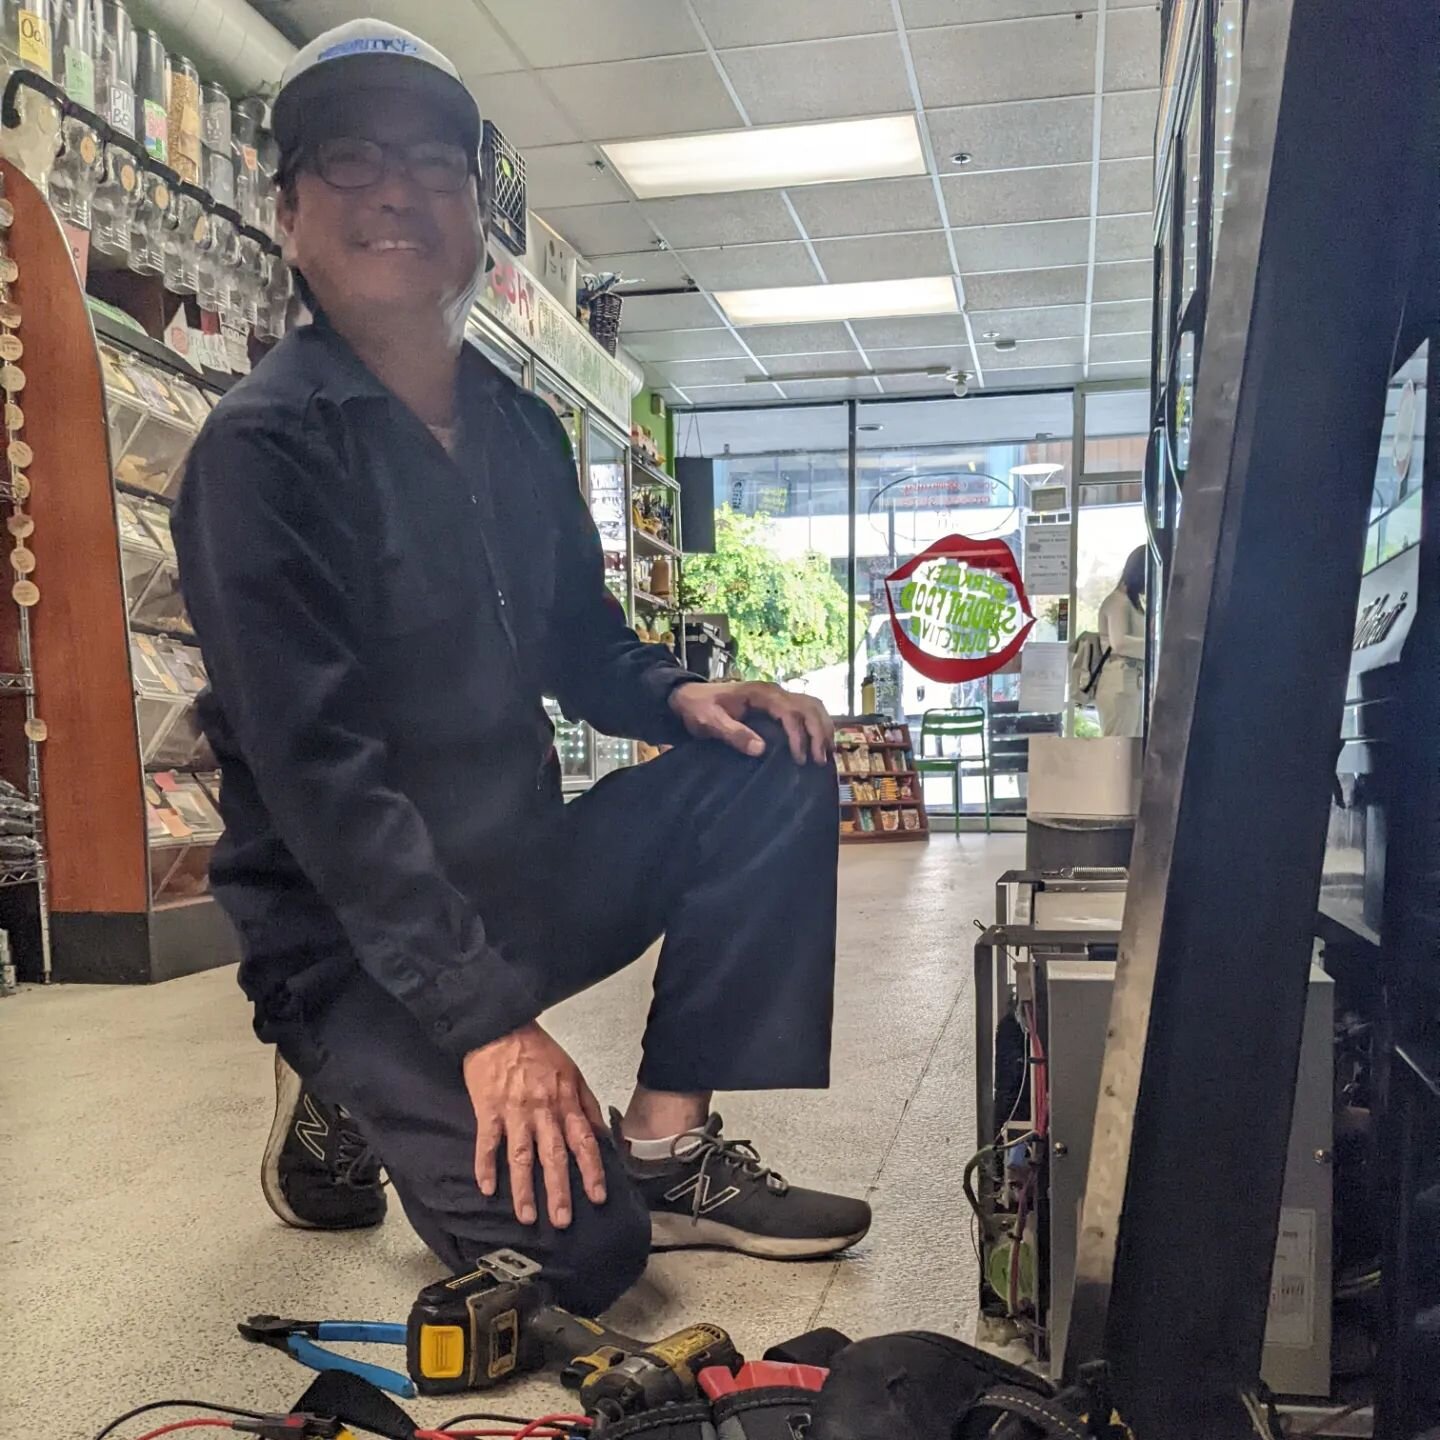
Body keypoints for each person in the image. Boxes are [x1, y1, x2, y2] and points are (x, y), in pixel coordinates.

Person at [172, 20, 870, 1317]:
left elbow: (574, 639)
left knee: (777, 757)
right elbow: (326, 787)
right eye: (351, 158)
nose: (396, 189)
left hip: (514, 875)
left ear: (477, 206)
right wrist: (490, 1031)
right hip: (351, 937)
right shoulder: (260, 456)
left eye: (435, 162)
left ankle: (666, 1151)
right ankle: (346, 1072)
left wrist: (675, 693)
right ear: (288, 209)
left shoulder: (518, 426)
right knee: (576, 1262)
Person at [1094, 545, 1148, 738]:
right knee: (1119, 750)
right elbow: (1120, 642)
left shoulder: (1129, 603)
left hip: (1131, 682)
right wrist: (1154, 646)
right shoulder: (1118, 602)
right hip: (1120, 682)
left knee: (1130, 749)